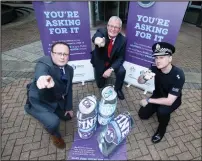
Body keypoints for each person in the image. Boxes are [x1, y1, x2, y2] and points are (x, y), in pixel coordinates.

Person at [24, 42, 74, 149]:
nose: (62, 57)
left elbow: (69, 89)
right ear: (51, 54)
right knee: (53, 122)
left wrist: (69, 107)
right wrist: (42, 78)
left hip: (54, 99)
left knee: (67, 117)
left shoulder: (70, 69)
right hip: (40, 101)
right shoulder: (45, 62)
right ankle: (55, 135)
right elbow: (41, 70)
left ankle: (56, 109)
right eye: (58, 53)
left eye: (65, 54)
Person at [137, 42, 185, 143]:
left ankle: (162, 129)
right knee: (142, 115)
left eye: (161, 57)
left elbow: (169, 101)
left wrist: (148, 100)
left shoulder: (178, 75)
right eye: (156, 58)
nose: (158, 61)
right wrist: (144, 77)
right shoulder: (154, 69)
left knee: (162, 111)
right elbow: (139, 81)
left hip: (172, 100)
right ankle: (155, 108)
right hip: (158, 96)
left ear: (170, 59)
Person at [90, 16, 126, 100]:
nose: (113, 29)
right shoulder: (101, 31)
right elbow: (96, 37)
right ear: (107, 26)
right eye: (111, 26)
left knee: (122, 71)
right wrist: (98, 40)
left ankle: (118, 89)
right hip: (100, 61)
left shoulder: (123, 40)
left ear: (120, 29)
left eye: (116, 27)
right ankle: (101, 77)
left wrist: (111, 69)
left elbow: (121, 58)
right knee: (100, 85)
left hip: (112, 61)